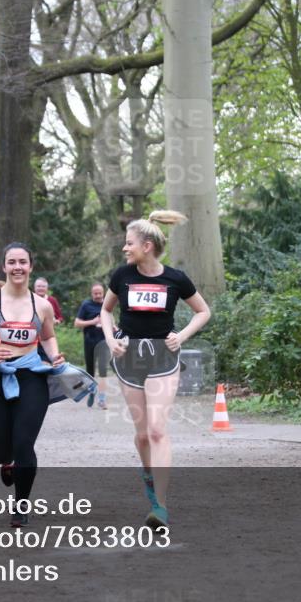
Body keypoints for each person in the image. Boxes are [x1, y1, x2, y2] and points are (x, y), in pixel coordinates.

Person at [100, 211, 211, 530]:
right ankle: (149, 478)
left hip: (163, 357)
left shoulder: (175, 279)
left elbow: (203, 311)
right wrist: (111, 340)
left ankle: (160, 507)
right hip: (129, 358)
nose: (125, 248)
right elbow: (106, 312)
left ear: (147, 246)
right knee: (142, 435)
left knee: (158, 430)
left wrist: (182, 335)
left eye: (129, 243)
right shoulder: (121, 276)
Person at [0, 243, 65, 527]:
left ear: (31, 266)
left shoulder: (41, 305)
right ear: (4, 267)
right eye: (12, 262)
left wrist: (54, 355)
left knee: (24, 444)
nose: (17, 267)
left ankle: (21, 506)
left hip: (31, 377)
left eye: (23, 262)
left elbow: (48, 336)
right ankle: (6, 462)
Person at [74, 282, 108, 409]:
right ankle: (92, 391)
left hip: (104, 341)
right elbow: (77, 323)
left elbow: (110, 319)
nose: (98, 295)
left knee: (103, 370)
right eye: (95, 293)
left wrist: (113, 327)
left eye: (100, 293)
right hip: (90, 341)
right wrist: (92, 322)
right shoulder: (86, 305)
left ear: (103, 292)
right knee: (90, 371)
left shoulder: (107, 304)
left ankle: (102, 399)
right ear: (91, 293)